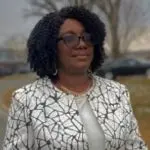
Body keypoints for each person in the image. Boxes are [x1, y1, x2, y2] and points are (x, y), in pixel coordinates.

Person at [3, 6, 148, 150]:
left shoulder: (117, 92)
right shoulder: (26, 100)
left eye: (87, 37)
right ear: (50, 47)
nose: (82, 44)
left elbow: (135, 146)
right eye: (70, 38)